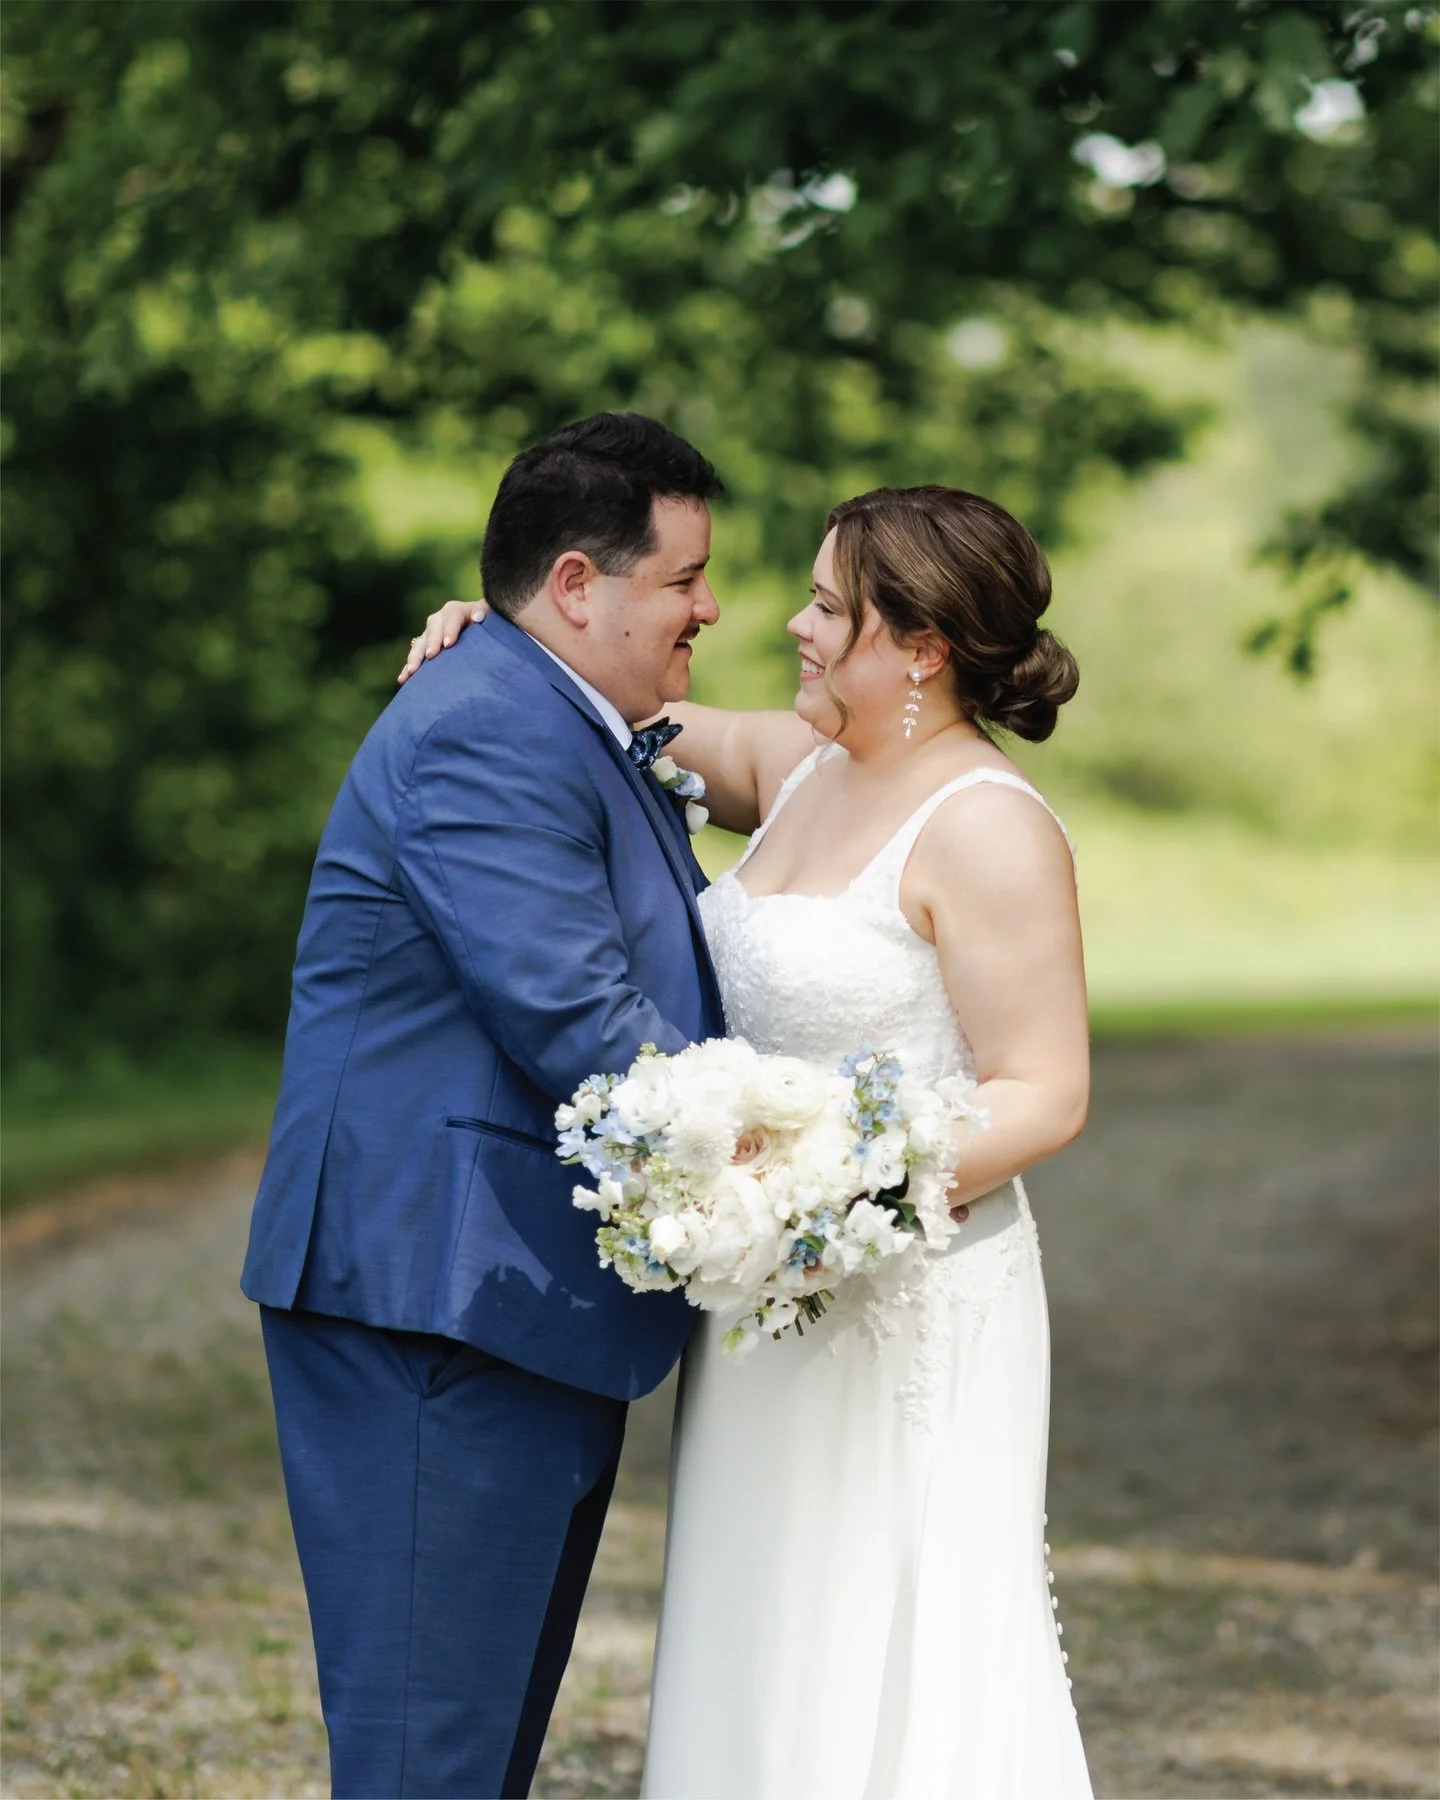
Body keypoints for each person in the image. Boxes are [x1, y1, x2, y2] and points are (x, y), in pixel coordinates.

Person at [405, 482, 1094, 1795]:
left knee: (890, 1636)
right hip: (759, 1289)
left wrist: (832, 1199)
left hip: (901, 1293)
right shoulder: (801, 765)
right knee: (758, 1625)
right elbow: (600, 709)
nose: (794, 622)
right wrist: (497, 643)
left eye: (831, 606)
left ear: (924, 644)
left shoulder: (988, 828)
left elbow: (1043, 1092)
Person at [241, 412, 727, 1799]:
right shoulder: (489, 728)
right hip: (436, 1300)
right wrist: (793, 1176)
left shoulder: (559, 710)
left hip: (518, 1300)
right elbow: (578, 1019)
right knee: (426, 1765)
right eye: (686, 577)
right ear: (578, 585)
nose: (711, 605)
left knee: (476, 1760)